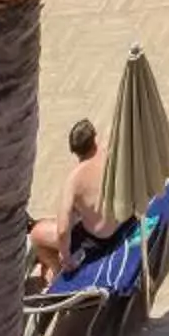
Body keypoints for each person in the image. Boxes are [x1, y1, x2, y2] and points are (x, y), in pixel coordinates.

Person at [29, 121, 113, 286]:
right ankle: (52, 269)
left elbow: (62, 231)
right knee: (58, 220)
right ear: (95, 138)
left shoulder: (74, 180)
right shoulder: (110, 153)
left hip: (100, 239)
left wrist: (66, 257)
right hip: (122, 221)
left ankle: (57, 272)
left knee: (36, 235)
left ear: (74, 151)